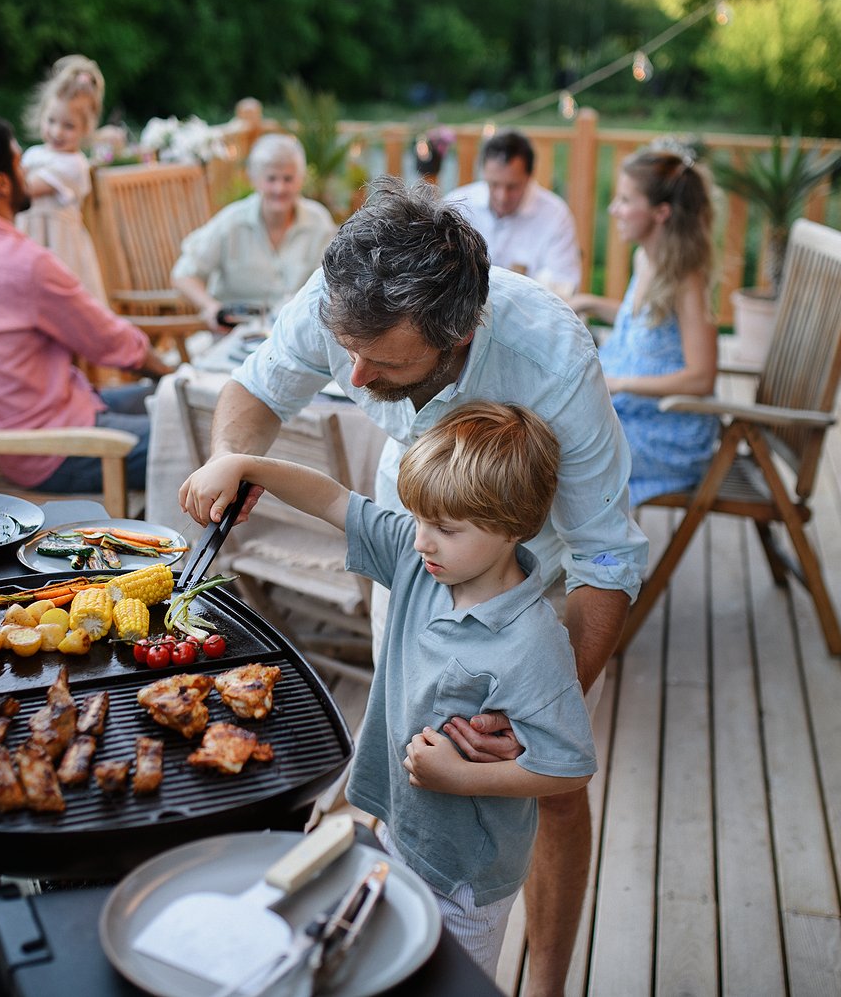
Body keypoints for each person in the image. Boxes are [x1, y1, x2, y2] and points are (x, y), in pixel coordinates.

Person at [182, 176, 645, 996]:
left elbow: (607, 559)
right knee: (407, 743)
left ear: (458, 333)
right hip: (417, 541)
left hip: (524, 572)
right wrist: (232, 458)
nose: (353, 378)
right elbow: (255, 391)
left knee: (549, 796)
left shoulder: (551, 359)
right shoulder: (346, 296)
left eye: (383, 361)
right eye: (346, 350)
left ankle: (543, 983)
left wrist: (538, 706)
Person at [180, 401, 596, 977]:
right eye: (418, 519)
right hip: (399, 825)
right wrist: (248, 464)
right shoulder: (419, 559)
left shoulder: (532, 645)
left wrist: (463, 777)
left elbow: (570, 768)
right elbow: (332, 499)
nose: (422, 540)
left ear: (514, 528)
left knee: (446, 980)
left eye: (446, 529)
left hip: (466, 876)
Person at [0, 116, 174, 496]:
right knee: (200, 433)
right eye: (18, 162)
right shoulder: (25, 264)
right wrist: (170, 372)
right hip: (58, 448)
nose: (27, 170)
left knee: (176, 404)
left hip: (45, 422)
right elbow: (108, 340)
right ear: (2, 182)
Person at [568, 148, 720, 505]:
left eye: (624, 200)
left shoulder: (687, 279)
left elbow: (702, 378)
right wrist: (589, 302)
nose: (613, 209)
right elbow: (645, 322)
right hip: (635, 413)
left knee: (559, 451)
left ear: (661, 212)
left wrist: (618, 383)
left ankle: (595, 554)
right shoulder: (647, 257)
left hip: (670, 432)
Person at [170, 132, 337, 330]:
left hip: (298, 332)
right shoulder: (231, 221)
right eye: (271, 178)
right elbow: (183, 274)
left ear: (301, 179)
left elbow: (335, 282)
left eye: (288, 178)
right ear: (255, 179)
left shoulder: (319, 221)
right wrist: (211, 307)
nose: (279, 188)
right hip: (236, 331)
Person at [17, 55, 110, 307]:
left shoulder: (74, 165)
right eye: (51, 121)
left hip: (60, 249)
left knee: (65, 306)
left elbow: (25, 190)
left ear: (86, 129)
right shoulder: (34, 154)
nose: (57, 132)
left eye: (68, 126)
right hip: (29, 241)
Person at [444, 129, 582, 297]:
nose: (502, 196)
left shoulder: (555, 215)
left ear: (530, 176)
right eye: (494, 184)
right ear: (483, 174)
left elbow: (564, 286)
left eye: (513, 187)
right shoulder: (457, 205)